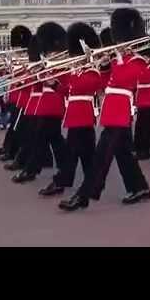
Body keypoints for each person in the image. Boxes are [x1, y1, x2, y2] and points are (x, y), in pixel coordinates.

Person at [59, 8, 150, 211]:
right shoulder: (117, 60)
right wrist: (103, 66)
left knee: (102, 156)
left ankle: (84, 195)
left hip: (120, 111)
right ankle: (140, 187)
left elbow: (125, 80)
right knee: (124, 153)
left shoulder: (137, 60)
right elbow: (103, 83)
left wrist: (116, 60)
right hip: (111, 110)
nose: (117, 44)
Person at [39, 22, 103, 197]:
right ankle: (93, 184)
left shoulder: (92, 72)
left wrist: (88, 66)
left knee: (72, 152)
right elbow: (68, 90)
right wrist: (55, 85)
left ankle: (62, 181)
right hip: (75, 116)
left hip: (84, 115)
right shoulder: (75, 72)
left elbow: (91, 87)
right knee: (87, 155)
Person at [12, 22, 69, 184]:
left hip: (54, 106)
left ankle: (32, 170)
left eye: (52, 51)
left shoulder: (64, 66)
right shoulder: (48, 65)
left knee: (42, 138)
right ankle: (64, 165)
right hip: (45, 106)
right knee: (53, 138)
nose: (50, 54)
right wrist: (35, 74)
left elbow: (66, 86)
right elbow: (36, 85)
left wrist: (53, 82)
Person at [0, 25, 32, 157]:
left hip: (25, 98)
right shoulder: (17, 59)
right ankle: (9, 149)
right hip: (16, 96)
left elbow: (26, 77)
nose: (15, 50)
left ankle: (12, 151)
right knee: (16, 125)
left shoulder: (29, 60)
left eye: (17, 47)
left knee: (18, 126)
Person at [133, 49, 150, 160]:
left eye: (143, 57)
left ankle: (148, 150)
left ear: (148, 58)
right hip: (142, 101)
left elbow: (143, 78)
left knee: (147, 128)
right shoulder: (141, 67)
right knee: (140, 126)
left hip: (149, 101)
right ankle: (139, 147)